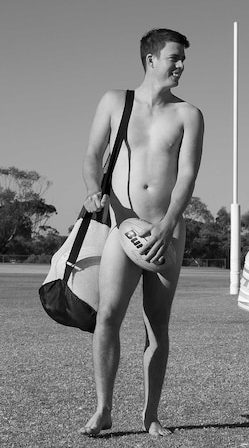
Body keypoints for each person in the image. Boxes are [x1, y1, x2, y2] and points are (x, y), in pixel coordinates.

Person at [79, 28, 204, 437]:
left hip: (167, 229)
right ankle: (103, 410)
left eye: (183, 58)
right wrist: (93, 191)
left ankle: (151, 415)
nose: (181, 65)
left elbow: (187, 175)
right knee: (108, 318)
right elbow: (93, 154)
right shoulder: (115, 102)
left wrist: (168, 224)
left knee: (157, 326)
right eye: (175, 58)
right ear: (151, 60)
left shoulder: (190, 114)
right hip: (122, 227)